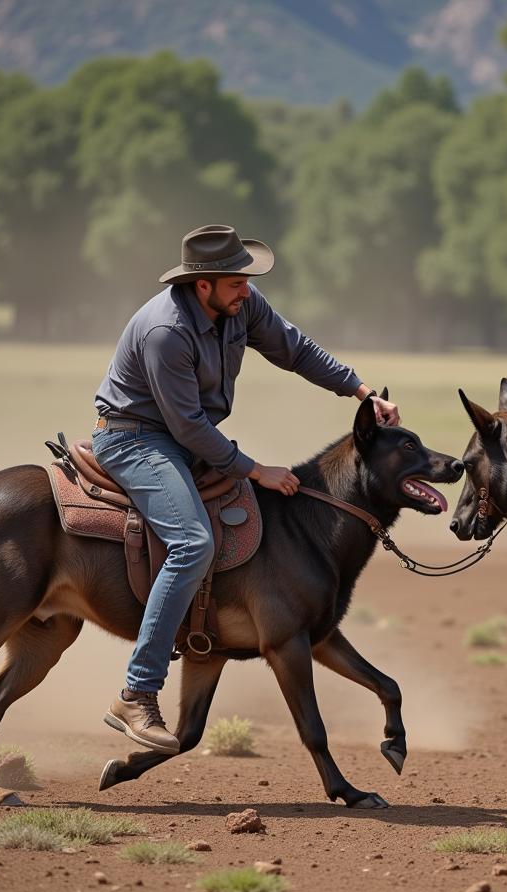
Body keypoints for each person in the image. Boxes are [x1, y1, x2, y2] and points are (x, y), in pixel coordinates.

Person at [93, 224, 399, 753]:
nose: (247, 289)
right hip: (136, 440)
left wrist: (361, 390)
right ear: (202, 285)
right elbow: (188, 425)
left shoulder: (241, 305)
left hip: (183, 440)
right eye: (236, 281)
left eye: (246, 279)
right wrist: (256, 471)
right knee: (193, 542)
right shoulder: (165, 332)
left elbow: (295, 349)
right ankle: (137, 692)